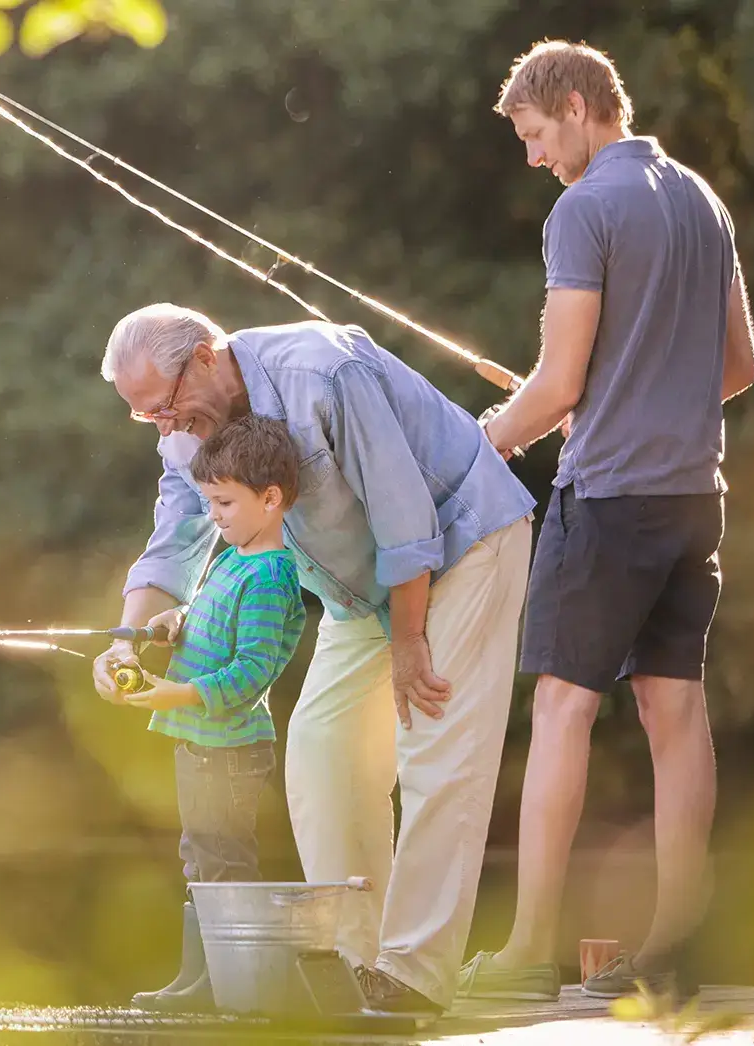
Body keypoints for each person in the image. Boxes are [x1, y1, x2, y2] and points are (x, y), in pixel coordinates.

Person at [92, 305, 535, 1015]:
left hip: (460, 541)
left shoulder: (322, 372)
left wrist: (411, 640)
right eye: (149, 419)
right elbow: (177, 527)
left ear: (206, 355)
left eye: (166, 406)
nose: (166, 427)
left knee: (436, 747)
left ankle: (414, 974)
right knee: (322, 750)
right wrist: (125, 637)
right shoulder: (186, 431)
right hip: (359, 586)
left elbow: (404, 514)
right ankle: (356, 964)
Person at [458, 40, 754, 1003]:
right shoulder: (703, 200)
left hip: (611, 500)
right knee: (676, 711)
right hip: (694, 499)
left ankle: (526, 953)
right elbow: (739, 367)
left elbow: (556, 385)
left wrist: (487, 442)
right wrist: (638, 396)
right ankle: (677, 949)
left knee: (561, 707)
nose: (535, 158)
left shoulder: (583, 210)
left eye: (539, 135)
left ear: (581, 105)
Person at [120, 414, 310, 1012]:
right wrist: (173, 622)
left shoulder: (270, 575)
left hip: (228, 751)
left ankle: (238, 988)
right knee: (199, 856)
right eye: (210, 501)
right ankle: (199, 981)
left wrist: (178, 693)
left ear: (271, 498)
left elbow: (252, 671)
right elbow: (207, 622)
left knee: (225, 860)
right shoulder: (232, 558)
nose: (216, 516)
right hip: (200, 744)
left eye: (225, 502)